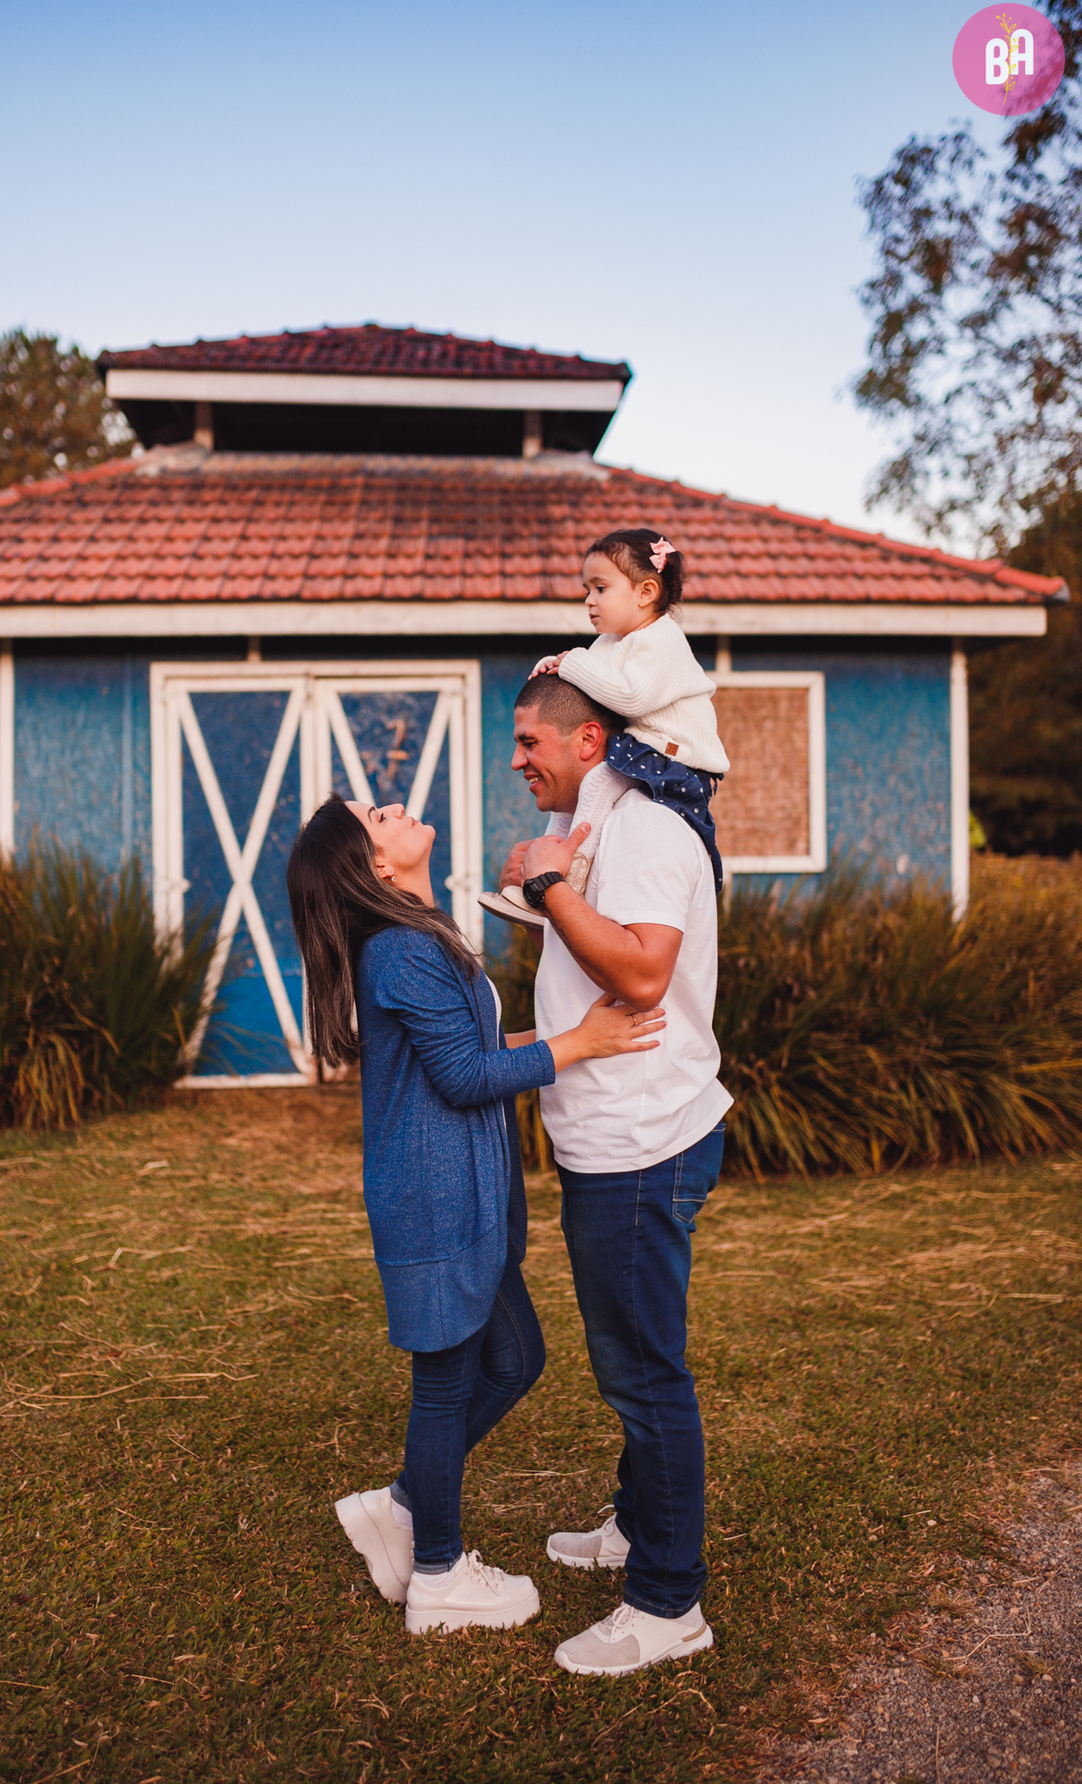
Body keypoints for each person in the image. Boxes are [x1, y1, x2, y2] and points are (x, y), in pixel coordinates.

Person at [286, 793, 664, 1637]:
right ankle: (439, 1574)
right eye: (376, 817)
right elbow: (465, 1080)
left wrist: (570, 1036)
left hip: (461, 1197)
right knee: (447, 1384)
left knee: (515, 1357)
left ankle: (402, 1506)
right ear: (376, 864)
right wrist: (582, 1045)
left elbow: (470, 1055)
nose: (393, 807)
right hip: (435, 1202)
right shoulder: (402, 950)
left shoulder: (418, 939)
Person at [500, 670, 733, 1677]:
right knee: (633, 1358)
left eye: (530, 741)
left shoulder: (644, 831)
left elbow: (641, 971)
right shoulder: (601, 825)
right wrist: (546, 882)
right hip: (614, 1136)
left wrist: (550, 888)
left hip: (642, 1145)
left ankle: (668, 1603)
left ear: (589, 740)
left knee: (644, 1375)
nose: (518, 760)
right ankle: (638, 1528)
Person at [485, 528, 728, 935]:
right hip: (641, 749)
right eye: (587, 590)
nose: (589, 600)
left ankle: (569, 881)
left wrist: (572, 663)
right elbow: (586, 689)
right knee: (571, 798)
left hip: (676, 758)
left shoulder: (662, 639)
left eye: (600, 588)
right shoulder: (609, 643)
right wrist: (555, 666)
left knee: (596, 782)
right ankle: (542, 881)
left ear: (646, 592)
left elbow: (630, 698)